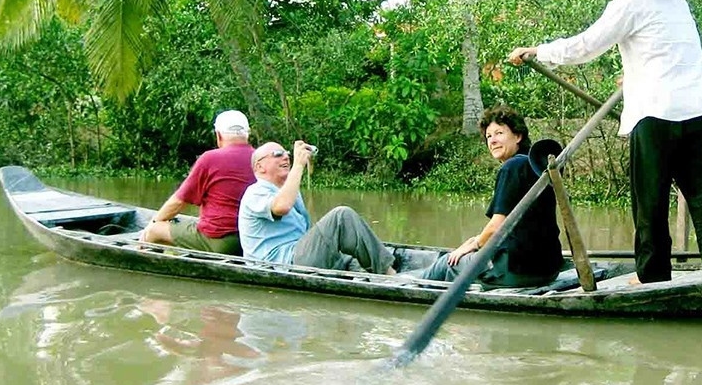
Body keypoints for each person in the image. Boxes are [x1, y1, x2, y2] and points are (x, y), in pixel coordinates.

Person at [507, 0, 702, 283]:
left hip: (656, 114)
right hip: (699, 108)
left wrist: (537, 51)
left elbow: (584, 47)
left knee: (650, 198)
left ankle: (652, 274)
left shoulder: (630, 4)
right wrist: (633, 76)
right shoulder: (678, 1)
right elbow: (668, 50)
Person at [414, 104, 565, 288]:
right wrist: (477, 239)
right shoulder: (537, 169)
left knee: (447, 263)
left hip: (518, 271)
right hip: (548, 271)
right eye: (488, 136)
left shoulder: (511, 168)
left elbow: (496, 228)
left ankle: (408, 286)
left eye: (499, 133)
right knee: (465, 251)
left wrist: (476, 244)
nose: (492, 141)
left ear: (518, 136)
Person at [238, 140, 396, 275]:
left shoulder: (289, 190)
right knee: (341, 216)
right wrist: (299, 165)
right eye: (278, 154)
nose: (286, 156)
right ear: (259, 167)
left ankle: (381, 271)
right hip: (281, 264)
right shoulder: (255, 192)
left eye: (287, 153)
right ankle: (390, 275)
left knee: (350, 258)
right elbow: (281, 207)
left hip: (298, 255)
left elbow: (305, 230)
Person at [141, 110, 255, 254]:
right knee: (185, 227)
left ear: (218, 135)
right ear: (248, 134)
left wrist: (152, 224)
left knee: (155, 230)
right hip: (250, 240)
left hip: (220, 242)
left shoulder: (210, 159)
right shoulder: (260, 159)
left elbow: (177, 203)